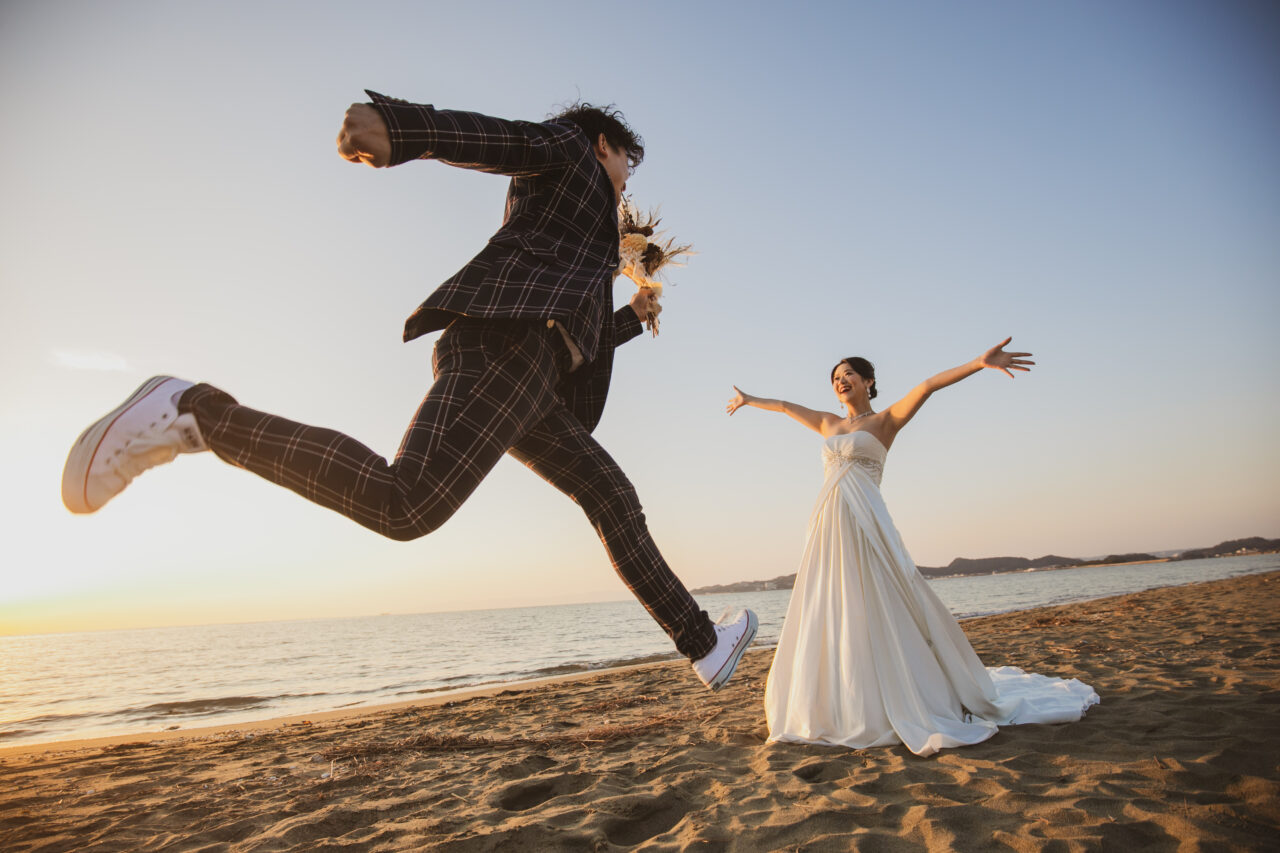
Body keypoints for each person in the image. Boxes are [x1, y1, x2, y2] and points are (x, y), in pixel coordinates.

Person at [61, 91, 756, 690]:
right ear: (604, 143)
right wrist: (402, 129)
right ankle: (196, 413)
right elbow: (508, 139)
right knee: (405, 505)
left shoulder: (579, 231)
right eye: (627, 162)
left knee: (609, 495)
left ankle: (704, 644)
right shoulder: (573, 151)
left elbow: (573, 333)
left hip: (532, 373)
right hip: (506, 352)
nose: (628, 178)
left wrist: (631, 319)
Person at [726, 339, 1098, 755]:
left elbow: (927, 385)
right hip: (829, 524)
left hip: (869, 522)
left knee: (883, 597)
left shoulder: (885, 421)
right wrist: (749, 399)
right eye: (835, 378)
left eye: (848, 373)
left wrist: (978, 363)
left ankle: (901, 691)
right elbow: (785, 406)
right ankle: (837, 698)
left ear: (868, 380)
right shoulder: (828, 423)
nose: (840, 381)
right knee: (832, 600)